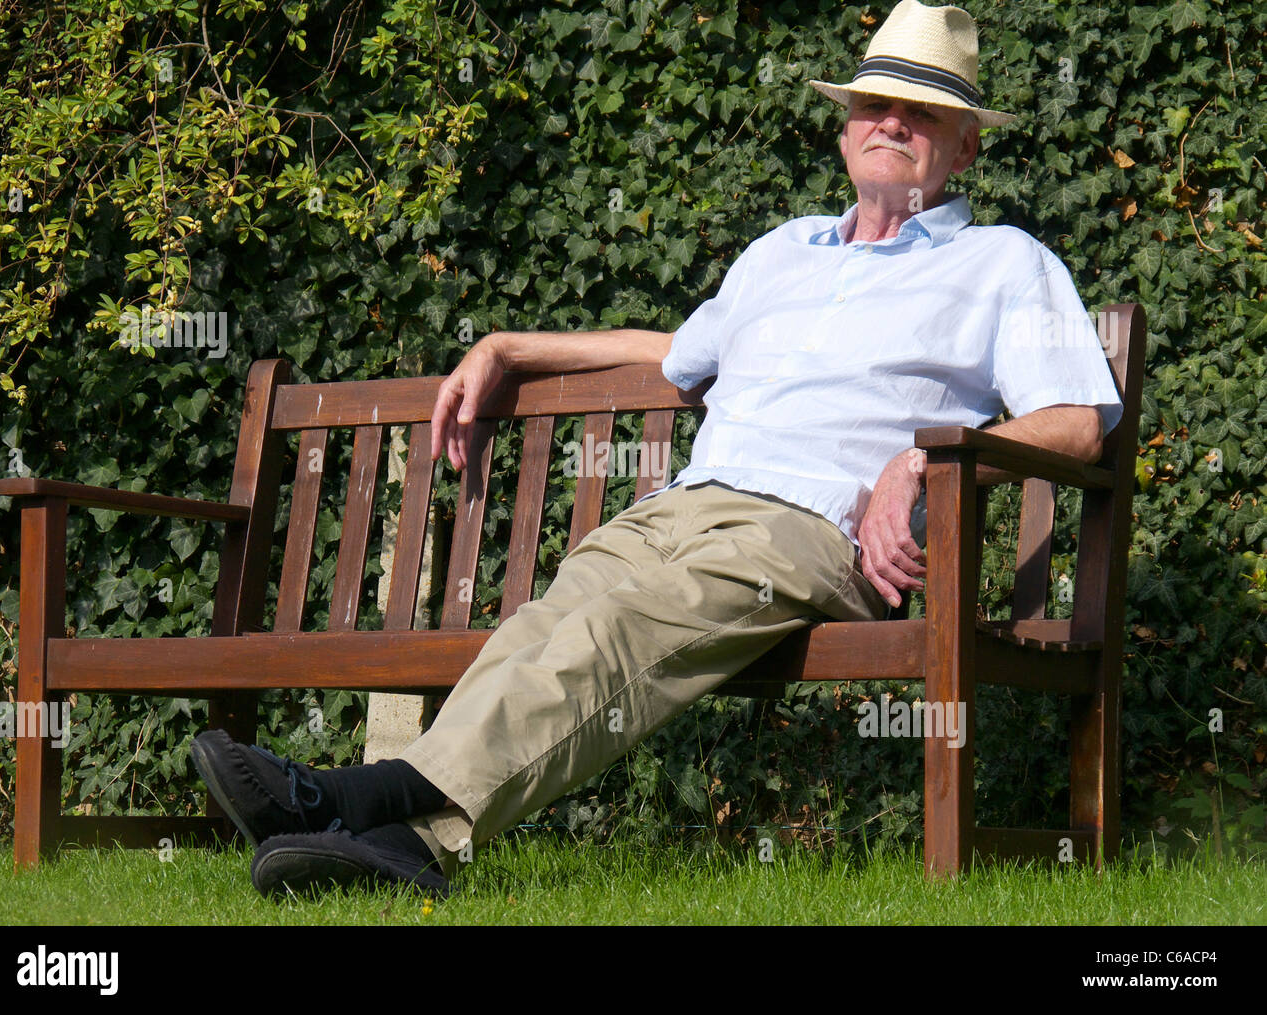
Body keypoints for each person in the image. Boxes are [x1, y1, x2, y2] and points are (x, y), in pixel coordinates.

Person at [190, 0, 1124, 898]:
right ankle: (403, 842)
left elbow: (1081, 419)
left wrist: (916, 463)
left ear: (964, 146)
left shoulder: (1003, 261)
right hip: (686, 502)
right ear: (842, 133)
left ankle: (350, 796)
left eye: (923, 111)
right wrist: (510, 345)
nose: (891, 123)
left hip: (807, 533)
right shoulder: (782, 253)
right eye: (874, 104)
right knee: (547, 622)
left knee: (612, 632)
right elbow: (675, 357)